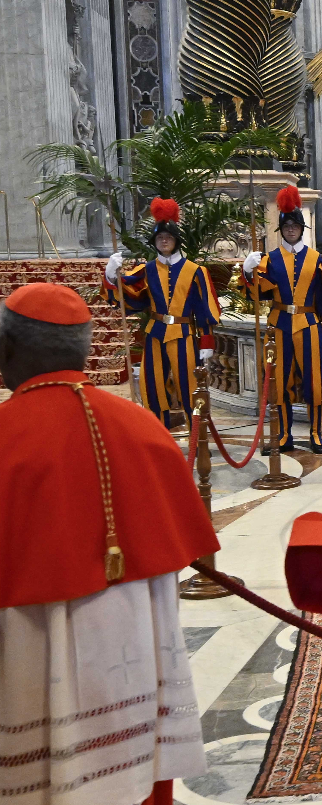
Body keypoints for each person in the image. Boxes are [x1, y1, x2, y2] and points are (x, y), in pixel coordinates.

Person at [0, 283, 218, 805]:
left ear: (7, 350)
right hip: (134, 655)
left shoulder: (6, 435)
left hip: (28, 647)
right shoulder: (143, 427)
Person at [103, 198, 221, 427]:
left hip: (184, 334)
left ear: (176, 240)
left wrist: (207, 340)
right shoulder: (146, 269)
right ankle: (157, 431)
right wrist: (111, 276)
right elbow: (128, 294)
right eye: (159, 238)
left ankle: (197, 433)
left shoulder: (195, 271)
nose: (164, 241)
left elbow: (204, 307)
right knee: (153, 385)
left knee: (189, 385)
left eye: (168, 237)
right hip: (155, 333)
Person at [243, 185, 322, 454]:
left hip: (309, 325)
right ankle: (284, 433)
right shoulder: (269, 260)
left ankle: (316, 433)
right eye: (286, 226)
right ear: (281, 229)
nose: (290, 230)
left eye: (294, 226)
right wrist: (248, 272)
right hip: (279, 325)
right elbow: (257, 294)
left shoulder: (318, 260)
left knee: (314, 381)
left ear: (301, 228)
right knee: (280, 380)